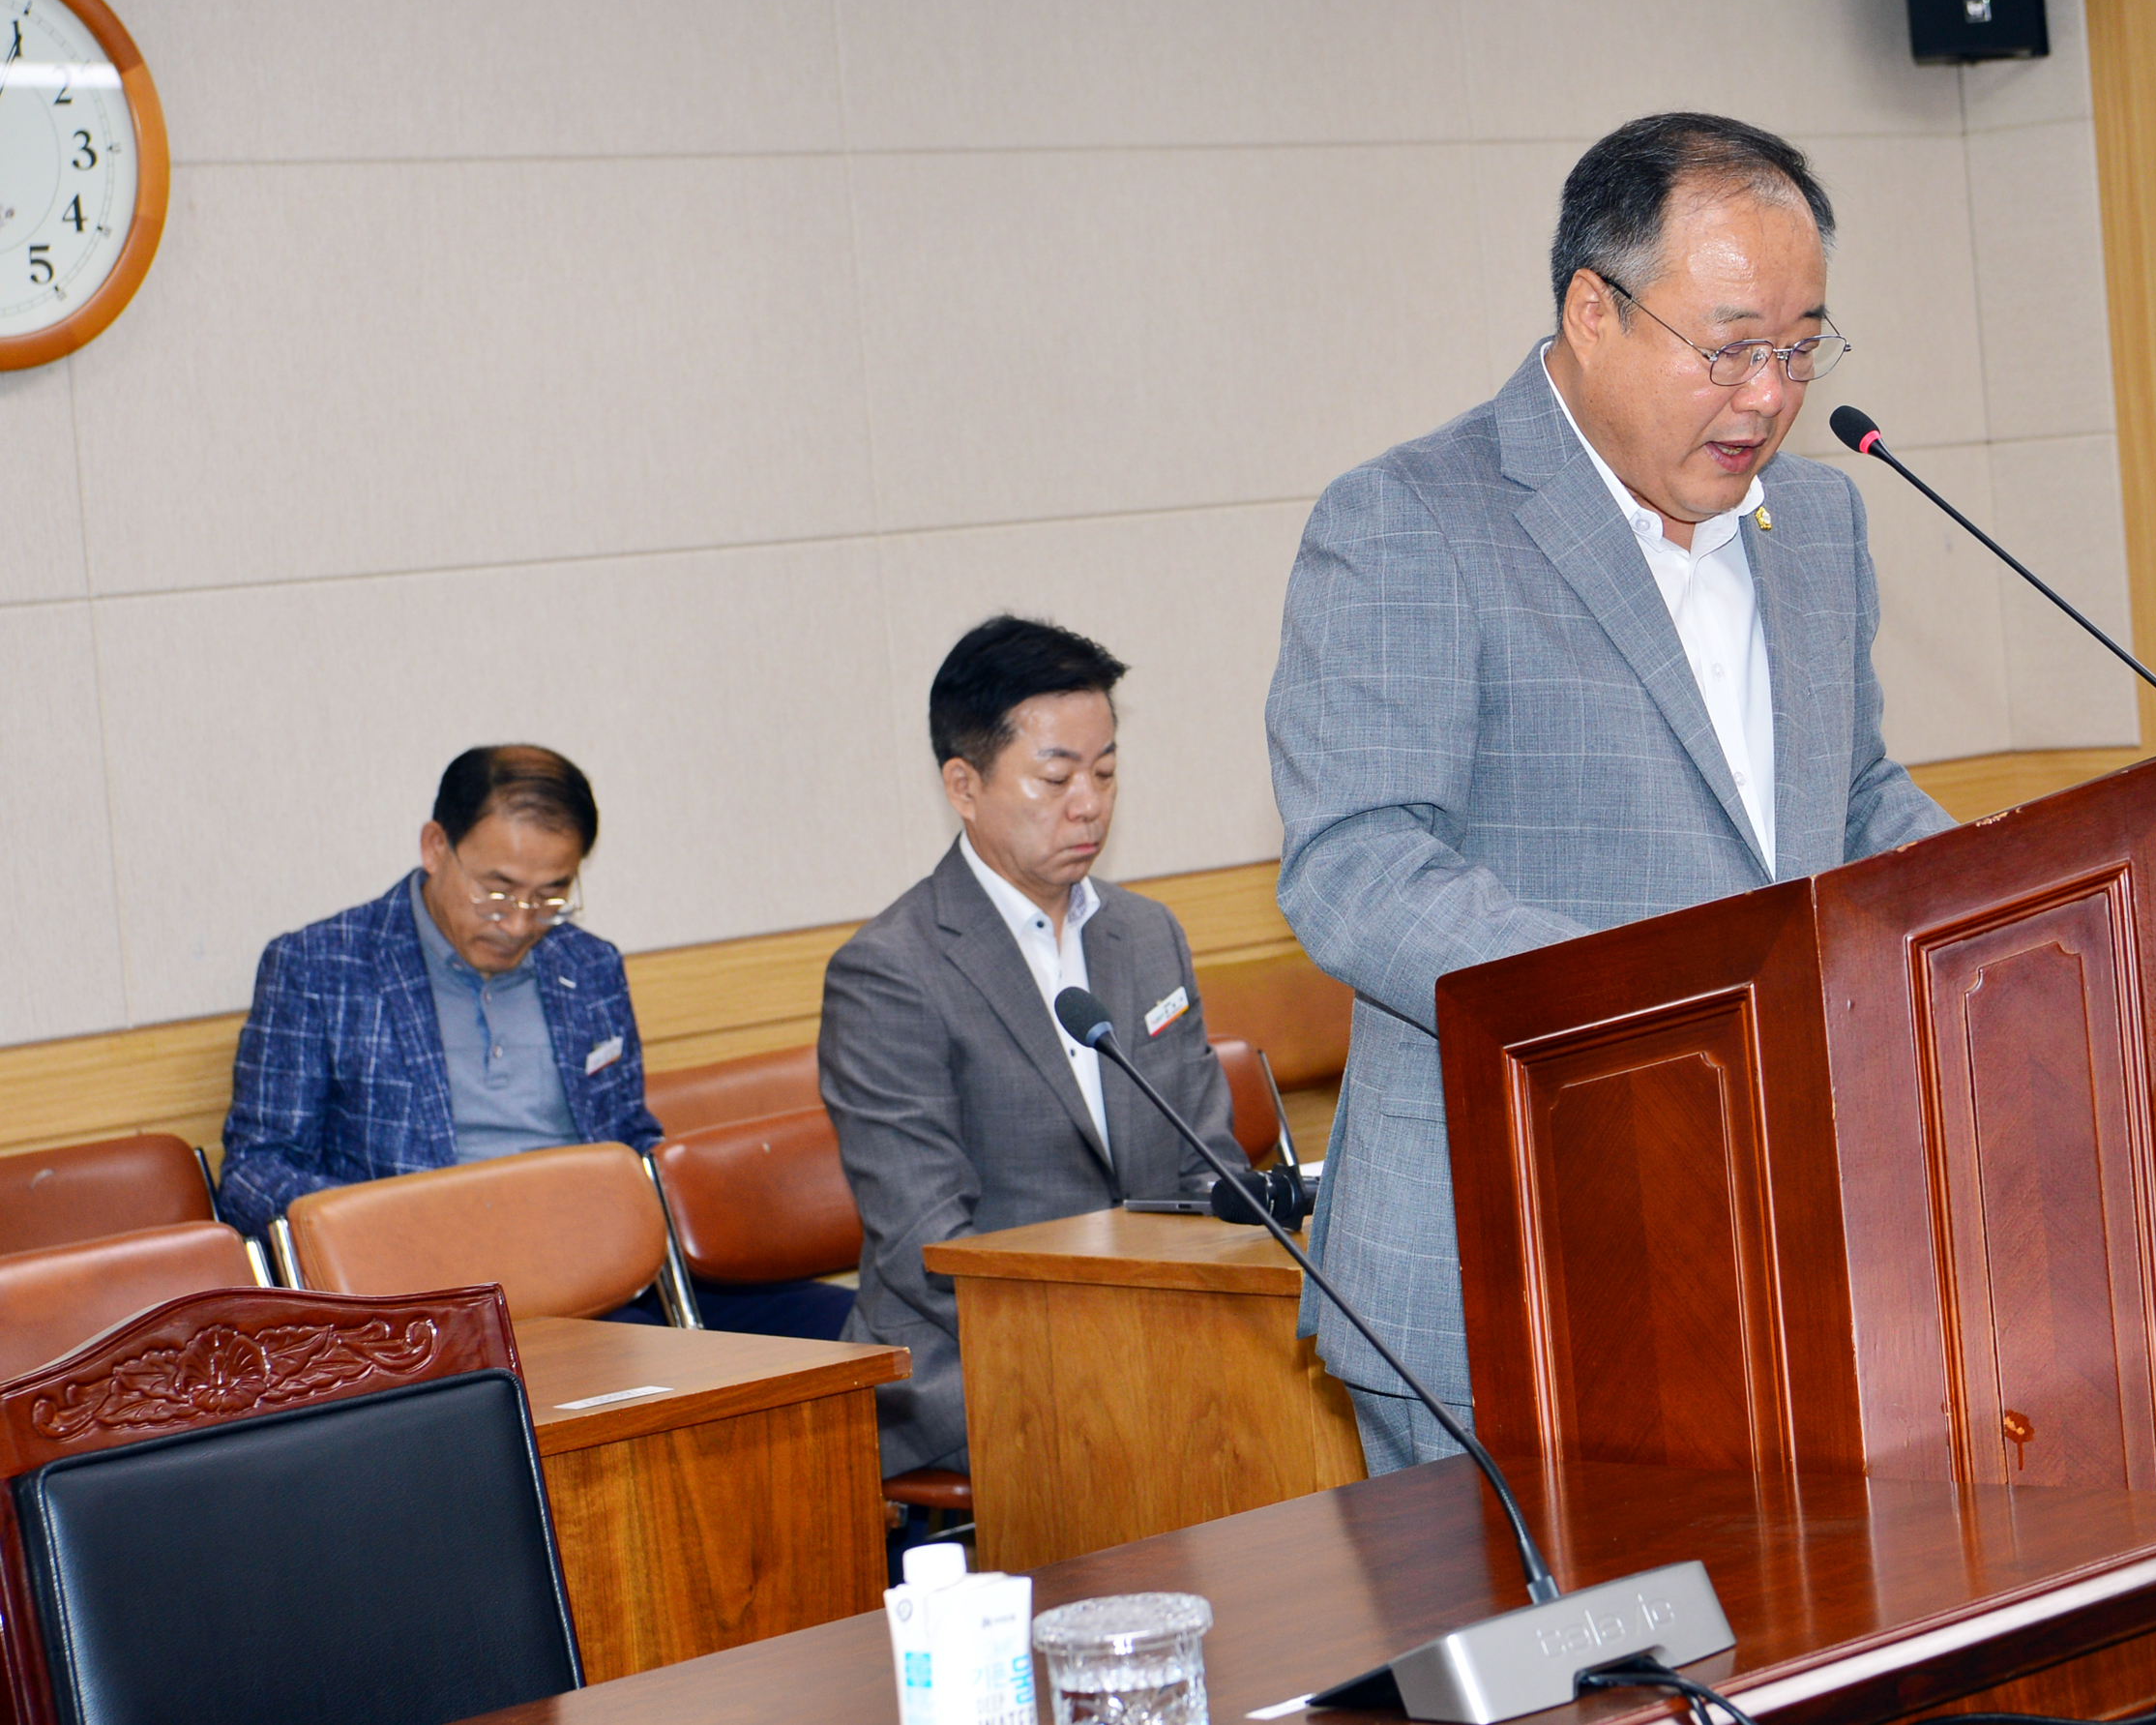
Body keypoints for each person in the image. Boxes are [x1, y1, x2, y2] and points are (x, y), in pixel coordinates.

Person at [1266, 111, 1956, 1471]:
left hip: (1781, 1230)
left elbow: (1851, 798)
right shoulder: (1412, 518)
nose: (1767, 396)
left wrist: (2005, 896)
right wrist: (1663, 1006)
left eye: (1800, 347)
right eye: (1729, 346)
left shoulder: (1819, 522)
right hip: (1512, 1249)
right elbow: (1357, 866)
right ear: (1594, 311)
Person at [213, 745, 850, 1340]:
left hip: (602, 1275)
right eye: (496, 891)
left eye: (551, 896)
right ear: (436, 847)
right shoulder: (322, 967)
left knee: (854, 1333)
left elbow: (629, 1137)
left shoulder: (588, 966)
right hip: (434, 1303)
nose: (519, 923)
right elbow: (253, 1171)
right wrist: (380, 1228)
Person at [822, 614, 1246, 1478]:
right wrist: (1116, 1340)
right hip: (975, 1362)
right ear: (964, 785)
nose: (1088, 803)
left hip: (1150, 1335)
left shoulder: (1148, 936)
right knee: (1163, 1440)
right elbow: (927, 1250)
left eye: (1105, 771)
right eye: (1056, 777)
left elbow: (1207, 1169)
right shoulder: (890, 971)